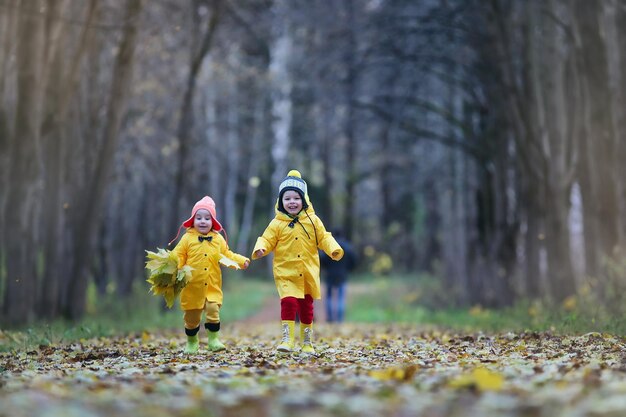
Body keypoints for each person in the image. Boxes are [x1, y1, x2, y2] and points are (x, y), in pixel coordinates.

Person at [252, 170, 343, 354]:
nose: (292, 202)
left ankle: (307, 342)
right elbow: (267, 238)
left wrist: (333, 248)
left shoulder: (313, 220)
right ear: (281, 202)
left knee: (306, 307)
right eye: (287, 199)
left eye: (296, 198)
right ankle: (287, 340)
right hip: (286, 272)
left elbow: (323, 237)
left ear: (304, 200)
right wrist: (261, 248)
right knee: (288, 302)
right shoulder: (277, 223)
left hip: (308, 271)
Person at [169, 196, 250, 354]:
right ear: (193, 220)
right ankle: (192, 342)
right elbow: (178, 255)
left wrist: (241, 261)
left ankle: (213, 340)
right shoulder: (187, 238)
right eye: (198, 218)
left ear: (213, 221)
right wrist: (172, 268)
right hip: (192, 286)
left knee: (213, 310)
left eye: (207, 218)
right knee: (192, 318)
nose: (203, 221)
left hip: (212, 285)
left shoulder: (218, 239)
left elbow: (228, 254)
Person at [320, 229, 356, 323]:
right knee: (341, 297)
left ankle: (330, 318)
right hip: (342, 274)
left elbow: (322, 259)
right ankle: (340, 319)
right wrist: (348, 269)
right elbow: (354, 260)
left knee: (329, 297)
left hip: (330, 274)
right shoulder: (347, 247)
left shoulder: (329, 246)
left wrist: (325, 268)